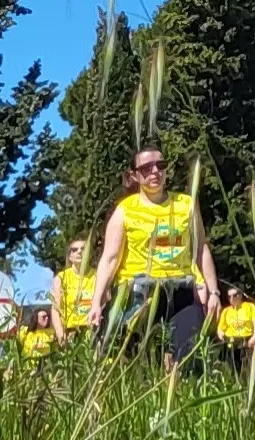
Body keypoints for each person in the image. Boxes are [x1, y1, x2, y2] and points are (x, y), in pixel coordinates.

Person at [90, 148, 219, 365]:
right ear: (134, 175)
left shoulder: (186, 204)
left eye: (160, 165)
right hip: (137, 294)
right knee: (130, 364)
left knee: (190, 358)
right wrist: (97, 300)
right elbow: (110, 258)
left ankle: (182, 393)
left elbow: (200, 248)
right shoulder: (125, 210)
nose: (155, 172)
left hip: (180, 291)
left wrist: (214, 291)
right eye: (146, 168)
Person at [51, 238, 96, 342]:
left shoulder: (98, 276)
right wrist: (60, 333)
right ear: (69, 256)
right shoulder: (61, 278)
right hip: (70, 332)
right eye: (74, 250)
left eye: (83, 249)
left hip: (93, 331)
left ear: (90, 254)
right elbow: (55, 309)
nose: (79, 251)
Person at [216, 286, 255, 369]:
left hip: (246, 340)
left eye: (235, 295)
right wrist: (221, 336)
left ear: (240, 295)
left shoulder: (249, 307)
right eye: (229, 297)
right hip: (231, 341)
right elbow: (221, 328)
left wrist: (254, 338)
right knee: (230, 365)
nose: (232, 299)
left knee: (246, 365)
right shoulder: (226, 311)